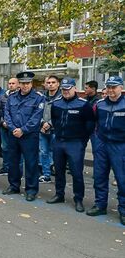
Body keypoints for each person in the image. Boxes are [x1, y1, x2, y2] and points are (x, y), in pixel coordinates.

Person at [47, 78, 95, 212]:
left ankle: (78, 199)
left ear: (74, 88)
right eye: (63, 89)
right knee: (59, 170)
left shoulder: (83, 104)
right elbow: (55, 120)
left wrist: (82, 141)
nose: (66, 91)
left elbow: (90, 124)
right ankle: (59, 194)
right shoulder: (56, 103)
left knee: (76, 173)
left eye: (68, 89)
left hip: (75, 142)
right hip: (59, 141)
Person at [87, 76, 125, 225]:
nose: (111, 90)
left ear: (121, 88)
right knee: (100, 176)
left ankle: (123, 209)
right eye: (108, 87)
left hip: (120, 145)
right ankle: (100, 205)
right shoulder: (100, 104)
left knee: (122, 179)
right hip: (102, 144)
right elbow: (93, 121)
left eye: (114, 87)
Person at [3, 71, 45, 201]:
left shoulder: (38, 97)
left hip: (29, 135)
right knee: (13, 161)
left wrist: (23, 130)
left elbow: (36, 118)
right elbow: (7, 114)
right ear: (19, 84)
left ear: (31, 83)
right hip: (13, 134)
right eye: (23, 83)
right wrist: (13, 128)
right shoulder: (12, 97)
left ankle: (31, 189)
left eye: (28, 83)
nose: (25, 86)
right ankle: (14, 185)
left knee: (31, 163)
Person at [39, 75, 61, 183]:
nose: (50, 84)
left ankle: (58, 174)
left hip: (56, 130)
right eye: (48, 82)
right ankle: (46, 174)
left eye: (53, 82)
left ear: (58, 84)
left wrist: (50, 124)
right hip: (43, 129)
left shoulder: (62, 97)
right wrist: (43, 123)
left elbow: (61, 114)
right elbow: (37, 112)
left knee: (57, 153)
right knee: (43, 152)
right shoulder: (42, 97)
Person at [0, 78, 19, 175]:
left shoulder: (21, 96)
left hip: (16, 128)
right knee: (5, 147)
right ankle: (5, 167)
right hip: (4, 127)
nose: (11, 85)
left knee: (17, 149)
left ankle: (17, 169)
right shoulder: (2, 97)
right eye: (9, 83)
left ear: (18, 84)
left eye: (13, 83)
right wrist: (2, 122)